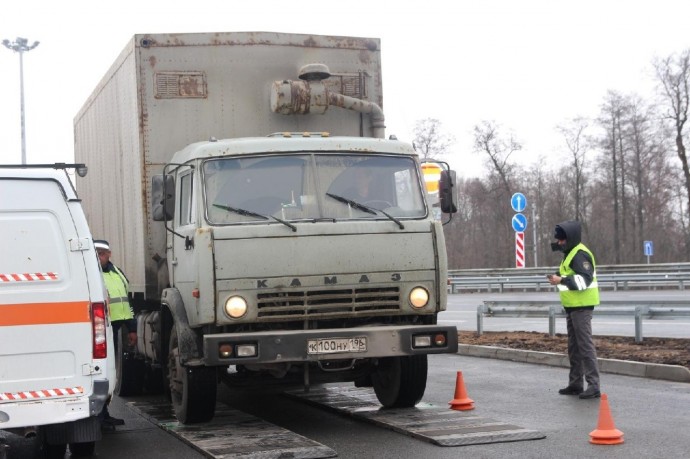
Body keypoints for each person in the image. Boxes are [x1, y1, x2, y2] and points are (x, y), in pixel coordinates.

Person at [546, 220, 601, 399]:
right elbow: (570, 275)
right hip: (572, 307)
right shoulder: (570, 254)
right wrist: (558, 277)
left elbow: (583, 281)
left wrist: (560, 280)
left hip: (582, 307)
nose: (560, 243)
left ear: (570, 239)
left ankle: (594, 386)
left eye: (562, 240)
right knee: (574, 347)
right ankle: (576, 383)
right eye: (559, 240)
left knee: (585, 347)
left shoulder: (579, 254)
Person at [94, 239, 138, 427]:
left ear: (108, 255)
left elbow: (125, 302)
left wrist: (132, 328)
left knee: (109, 372)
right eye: (96, 254)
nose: (98, 258)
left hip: (116, 328)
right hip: (99, 331)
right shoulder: (90, 273)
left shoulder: (116, 272)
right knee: (101, 372)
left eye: (101, 254)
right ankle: (99, 414)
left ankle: (104, 413)